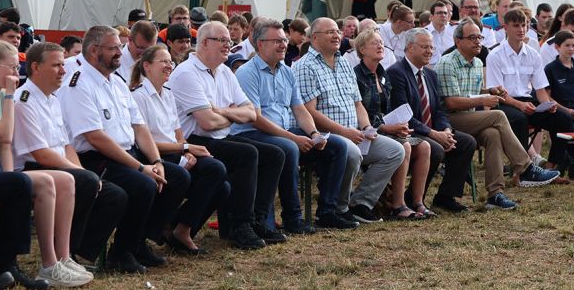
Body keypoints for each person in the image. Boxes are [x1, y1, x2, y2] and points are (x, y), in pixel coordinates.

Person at [59, 26, 190, 273]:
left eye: (120, 47)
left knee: (177, 177)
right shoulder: (79, 84)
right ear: (94, 50)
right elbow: (95, 137)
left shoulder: (116, 83)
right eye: (113, 48)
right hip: (95, 158)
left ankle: (138, 241)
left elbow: (139, 126)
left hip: (127, 154)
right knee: (143, 184)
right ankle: (120, 254)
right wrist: (141, 167)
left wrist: (156, 160)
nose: (120, 52)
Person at [0, 41, 93, 288]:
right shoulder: (0, 97)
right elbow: (4, 135)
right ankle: (30, 265)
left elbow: (4, 145)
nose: (16, 73)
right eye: (11, 67)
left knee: (65, 179)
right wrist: (10, 95)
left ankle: (53, 260)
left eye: (16, 67)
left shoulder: (3, 96)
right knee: (29, 182)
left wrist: (9, 177)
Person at [167, 21, 286, 248]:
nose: (227, 45)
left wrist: (221, 110)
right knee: (247, 153)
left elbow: (251, 112)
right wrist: (230, 114)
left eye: (228, 41)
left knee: (275, 154)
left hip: (220, 137)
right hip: (192, 141)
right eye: (221, 40)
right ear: (203, 43)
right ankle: (241, 224)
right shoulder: (186, 73)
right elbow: (207, 122)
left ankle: (257, 220)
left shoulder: (224, 72)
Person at [13, 42, 126, 276]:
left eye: (63, 65)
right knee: (84, 181)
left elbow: (66, 145)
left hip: (57, 165)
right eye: (56, 65)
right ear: (35, 67)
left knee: (114, 194)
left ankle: (77, 254)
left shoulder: (52, 99)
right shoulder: (24, 100)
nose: (63, 71)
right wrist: (81, 173)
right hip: (32, 168)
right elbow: (41, 153)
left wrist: (79, 169)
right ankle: (57, 258)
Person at [231, 18, 350, 232]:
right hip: (253, 133)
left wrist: (314, 133)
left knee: (337, 146)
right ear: (260, 44)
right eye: (276, 41)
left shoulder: (286, 70)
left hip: (283, 132)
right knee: (288, 147)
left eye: (284, 40)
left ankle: (328, 212)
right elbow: (255, 119)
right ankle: (292, 217)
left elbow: (300, 109)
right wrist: (294, 138)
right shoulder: (247, 73)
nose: (283, 45)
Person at [436, 20, 556, 210]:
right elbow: (450, 102)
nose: (478, 42)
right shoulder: (447, 63)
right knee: (498, 116)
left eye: (480, 37)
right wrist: (483, 100)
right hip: (447, 121)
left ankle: (495, 194)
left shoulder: (476, 62)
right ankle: (525, 167)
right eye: (472, 38)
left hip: (467, 118)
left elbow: (470, 92)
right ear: (457, 41)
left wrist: (490, 91)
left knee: (493, 134)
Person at [294, 18, 404, 224]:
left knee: (395, 150)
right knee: (351, 152)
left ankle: (360, 203)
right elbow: (309, 112)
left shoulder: (344, 62)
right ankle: (339, 208)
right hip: (326, 135)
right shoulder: (305, 66)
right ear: (314, 37)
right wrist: (345, 133)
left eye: (337, 31)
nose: (337, 36)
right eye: (330, 32)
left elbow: (357, 104)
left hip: (354, 132)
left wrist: (367, 127)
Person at [129, 44, 231, 254]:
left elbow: (177, 130)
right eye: (163, 62)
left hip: (175, 152)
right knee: (204, 173)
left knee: (221, 181)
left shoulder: (167, 93)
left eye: (170, 62)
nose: (169, 66)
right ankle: (153, 232)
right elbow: (144, 142)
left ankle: (180, 228)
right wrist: (184, 147)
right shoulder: (138, 96)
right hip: (153, 156)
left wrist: (185, 151)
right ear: (147, 66)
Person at [387, 28, 477, 213]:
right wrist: (434, 134)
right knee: (435, 149)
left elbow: (438, 110)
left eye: (431, 47)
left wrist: (445, 130)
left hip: (432, 130)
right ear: (410, 48)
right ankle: (412, 198)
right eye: (424, 47)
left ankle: (445, 196)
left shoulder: (430, 74)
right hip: (410, 131)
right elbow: (403, 115)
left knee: (467, 142)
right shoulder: (396, 73)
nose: (429, 51)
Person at [353, 29, 429, 219]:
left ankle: (417, 201)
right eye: (375, 43)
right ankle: (398, 204)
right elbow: (358, 113)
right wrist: (386, 127)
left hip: (385, 128)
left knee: (425, 146)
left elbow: (385, 110)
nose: (381, 46)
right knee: (404, 146)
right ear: (362, 49)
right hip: (364, 131)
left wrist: (398, 123)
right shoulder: (356, 76)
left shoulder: (383, 75)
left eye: (382, 42)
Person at [487, 8, 571, 176]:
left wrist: (547, 104)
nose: (521, 29)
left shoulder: (533, 54)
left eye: (524, 25)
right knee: (519, 119)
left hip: (528, 100)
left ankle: (552, 167)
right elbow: (497, 93)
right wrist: (520, 105)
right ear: (506, 27)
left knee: (564, 119)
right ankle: (523, 170)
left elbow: (540, 89)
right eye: (516, 25)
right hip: (504, 103)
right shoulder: (495, 55)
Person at [543, 30, 574, 178]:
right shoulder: (550, 68)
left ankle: (570, 157)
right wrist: (566, 110)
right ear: (557, 47)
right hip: (558, 109)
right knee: (565, 127)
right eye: (567, 45)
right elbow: (547, 96)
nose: (571, 49)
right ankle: (568, 159)